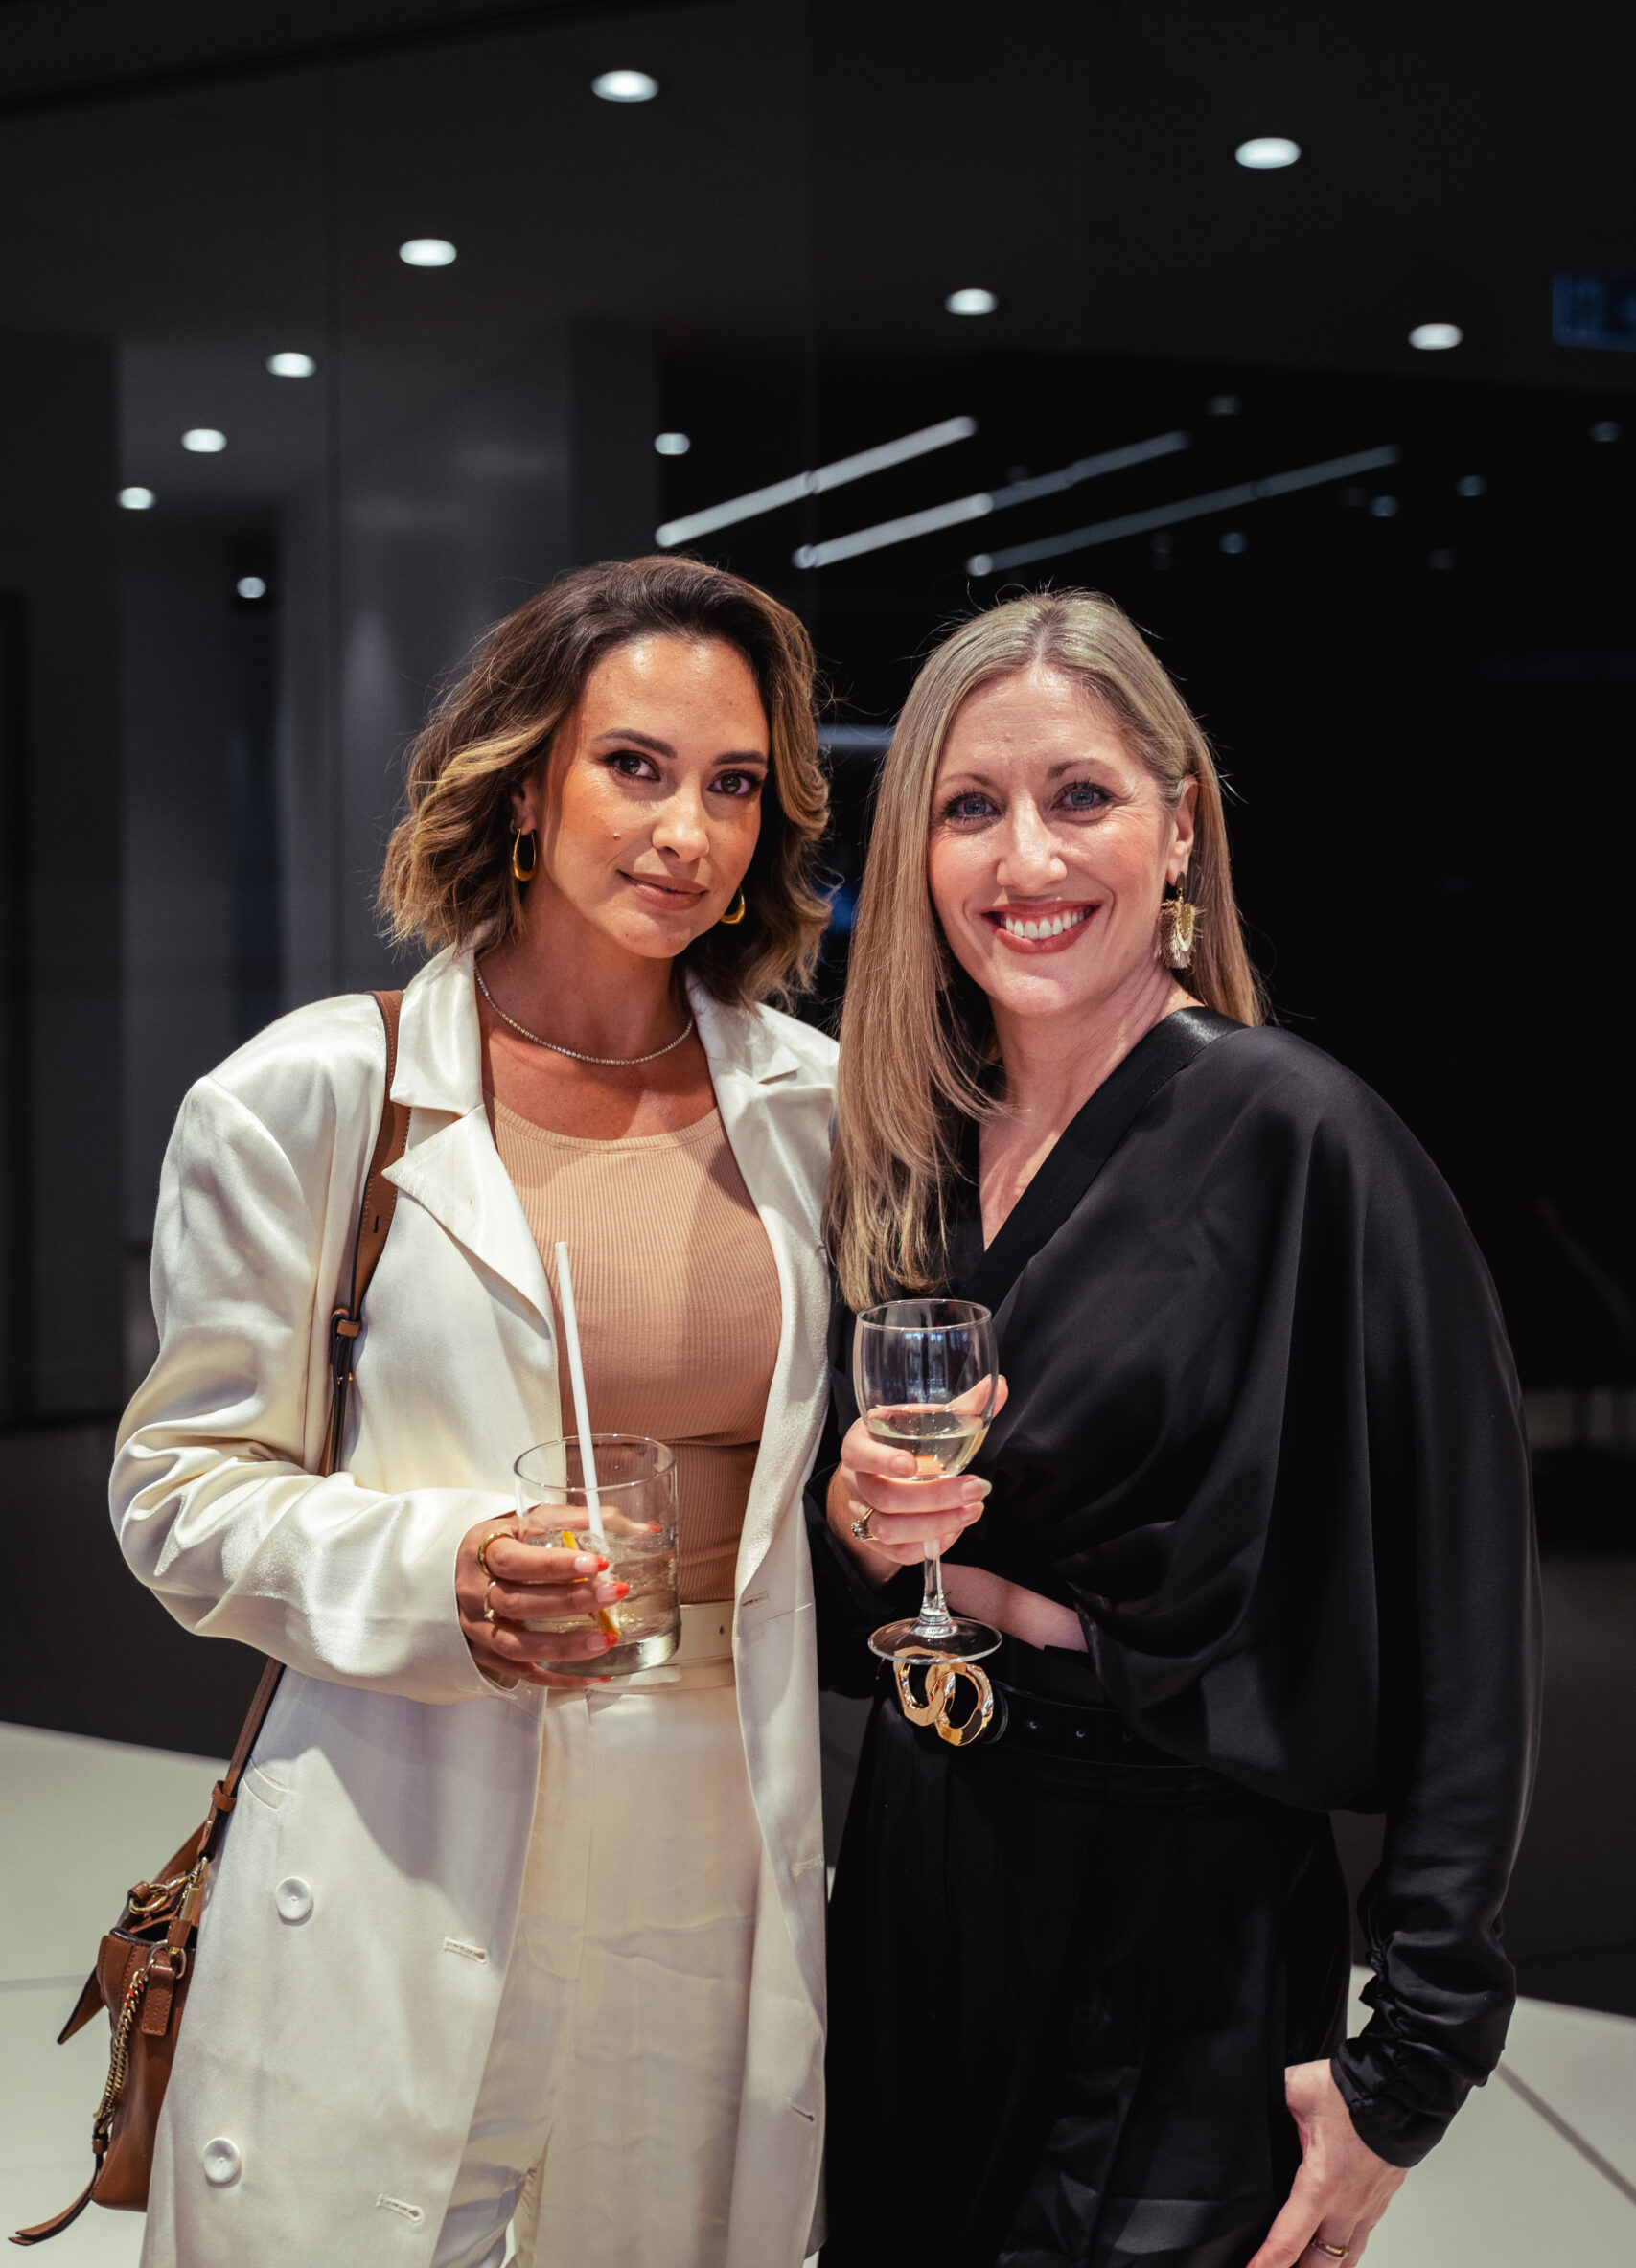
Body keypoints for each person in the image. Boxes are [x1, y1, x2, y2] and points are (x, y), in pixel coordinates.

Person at [112, 555, 839, 2268]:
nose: (689, 832)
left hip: (715, 1818)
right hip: (404, 1798)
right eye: (634, 767)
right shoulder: (312, 1094)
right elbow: (177, 1490)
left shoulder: (816, 1106)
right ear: (522, 784)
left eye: (735, 784)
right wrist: (444, 1572)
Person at [812, 590, 1539, 2268]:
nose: (1028, 859)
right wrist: (855, 1522)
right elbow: (853, 1583)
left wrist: (1416, 2058)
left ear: (1181, 826)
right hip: (923, 1859)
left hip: (1182, 1910)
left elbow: (1470, 1620)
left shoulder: (1305, 1141)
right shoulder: (909, 1147)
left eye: (1081, 796)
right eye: (971, 807)